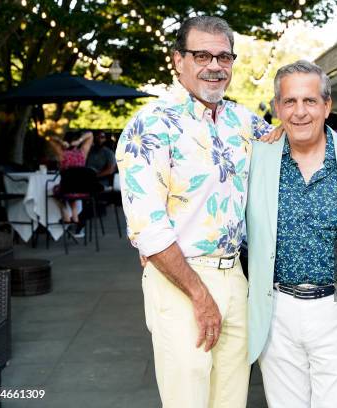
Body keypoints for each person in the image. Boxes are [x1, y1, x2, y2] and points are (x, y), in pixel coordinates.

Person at [116, 16, 272, 408]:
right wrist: (199, 295)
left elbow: (299, 142)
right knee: (188, 399)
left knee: (231, 399)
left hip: (236, 276)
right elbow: (148, 229)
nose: (215, 66)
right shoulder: (149, 126)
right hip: (180, 280)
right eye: (202, 55)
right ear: (178, 60)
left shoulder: (244, 121)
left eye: (224, 56)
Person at [247, 60, 337, 407]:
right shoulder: (256, 158)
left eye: (310, 101)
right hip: (276, 312)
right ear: (277, 108)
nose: (300, 112)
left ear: (327, 105)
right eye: (290, 102)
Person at [48, 130, 93, 224]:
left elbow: (51, 138)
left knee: (55, 190)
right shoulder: (82, 153)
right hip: (81, 190)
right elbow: (90, 135)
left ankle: (66, 215)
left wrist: (61, 142)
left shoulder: (62, 154)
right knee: (72, 191)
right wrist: (80, 141)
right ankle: (75, 216)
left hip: (66, 189)